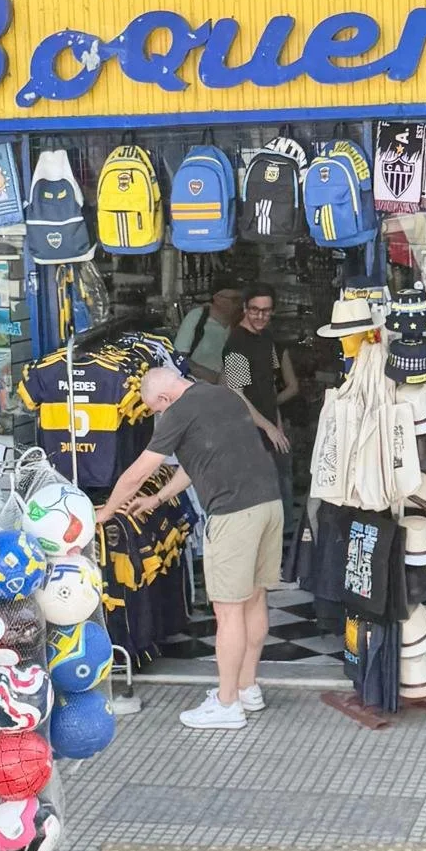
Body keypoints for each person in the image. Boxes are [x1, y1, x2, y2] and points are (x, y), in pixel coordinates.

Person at [98, 366, 284, 730]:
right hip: (269, 504)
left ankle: (227, 703)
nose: (156, 415)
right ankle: (248, 687)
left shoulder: (178, 411)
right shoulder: (223, 394)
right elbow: (199, 461)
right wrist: (159, 499)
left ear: (164, 399)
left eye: (154, 409)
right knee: (255, 599)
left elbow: (137, 473)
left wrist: (104, 514)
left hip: (233, 514)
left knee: (228, 612)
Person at [221, 283, 299, 536]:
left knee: (280, 485)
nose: (260, 316)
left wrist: (276, 424)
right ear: (245, 308)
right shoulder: (237, 343)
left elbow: (270, 388)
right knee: (260, 494)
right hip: (248, 432)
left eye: (266, 311)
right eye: (255, 310)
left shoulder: (266, 338)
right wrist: (267, 427)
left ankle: (282, 538)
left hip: (269, 427)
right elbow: (236, 393)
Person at [174, 288, 242, 383]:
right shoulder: (197, 317)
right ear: (217, 298)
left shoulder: (241, 323)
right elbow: (179, 357)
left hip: (230, 387)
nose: (239, 304)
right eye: (235, 300)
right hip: (199, 384)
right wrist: (213, 377)